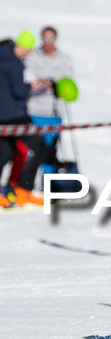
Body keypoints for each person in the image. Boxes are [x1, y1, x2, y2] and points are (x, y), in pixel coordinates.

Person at [0, 32, 48, 207]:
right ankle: (23, 191)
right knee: (39, 146)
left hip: (2, 117)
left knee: (5, 153)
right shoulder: (14, 63)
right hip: (14, 115)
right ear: (24, 47)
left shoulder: (2, 56)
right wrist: (33, 86)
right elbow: (20, 91)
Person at [26, 26, 75, 174]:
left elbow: (68, 86)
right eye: (45, 38)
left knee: (49, 152)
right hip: (33, 112)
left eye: (51, 38)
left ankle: (47, 186)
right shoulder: (32, 57)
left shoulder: (65, 59)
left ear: (56, 39)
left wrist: (53, 84)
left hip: (53, 114)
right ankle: (27, 185)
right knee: (31, 151)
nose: (48, 42)